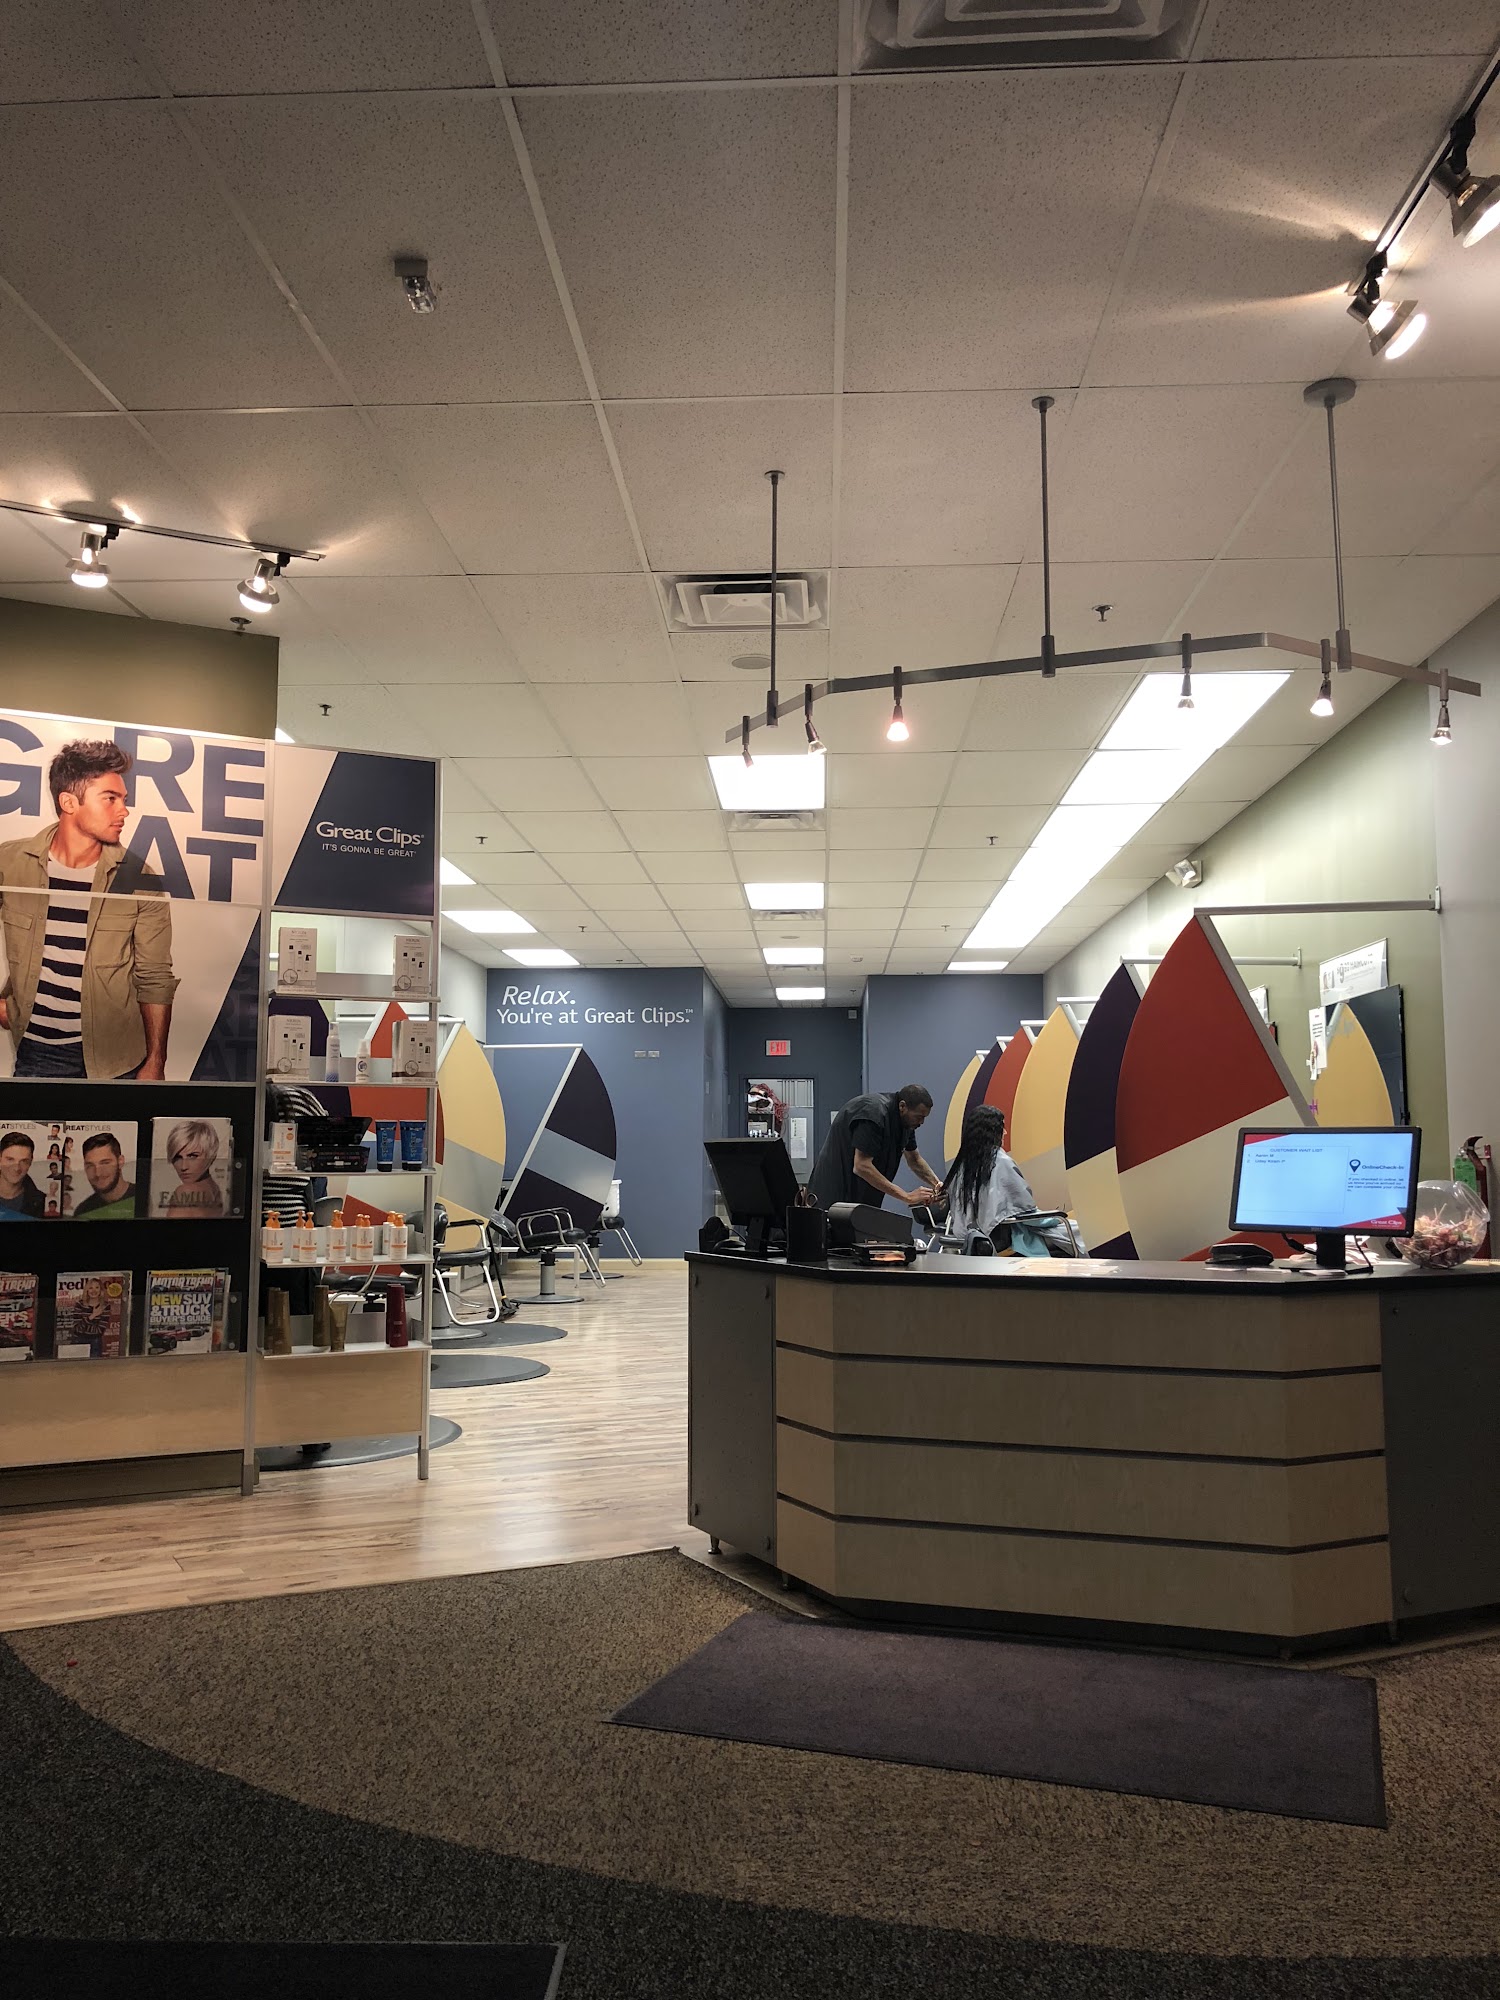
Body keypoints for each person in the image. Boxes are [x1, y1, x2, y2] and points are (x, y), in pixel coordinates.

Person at [0, 739, 177, 1080]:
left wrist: (156, 1061)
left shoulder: (140, 878)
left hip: (116, 1060)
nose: (123, 811)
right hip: (37, 1055)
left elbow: (155, 977)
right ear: (69, 802)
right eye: (110, 799)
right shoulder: (10, 863)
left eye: (123, 799)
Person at [940, 1104, 1073, 1254]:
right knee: (1077, 1232)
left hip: (968, 1239)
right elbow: (1027, 1214)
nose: (1005, 1132)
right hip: (1004, 1239)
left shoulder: (960, 1166)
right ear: (993, 1131)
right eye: (1002, 1127)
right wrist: (1054, 1218)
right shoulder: (1001, 1162)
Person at [808, 1084, 942, 1212]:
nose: (921, 1122)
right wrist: (907, 1197)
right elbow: (861, 1166)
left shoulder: (906, 1123)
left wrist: (937, 1185)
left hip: (861, 1200)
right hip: (834, 1196)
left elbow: (914, 1159)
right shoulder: (874, 1113)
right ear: (902, 1106)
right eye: (918, 1117)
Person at [161, 1119, 225, 1218]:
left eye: (192, 1156)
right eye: (177, 1157)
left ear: (210, 1156)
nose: (183, 1167)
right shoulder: (214, 1189)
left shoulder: (186, 1191)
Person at [72, 1132, 135, 1219]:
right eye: (90, 1165)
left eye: (105, 1163)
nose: (97, 1173)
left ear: (120, 1161)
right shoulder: (83, 1211)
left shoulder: (143, 1197)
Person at [0, 1131, 45, 1221]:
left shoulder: (42, 1201)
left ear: (30, 1162)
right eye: (10, 1159)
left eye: (24, 1161)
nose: (17, 1168)